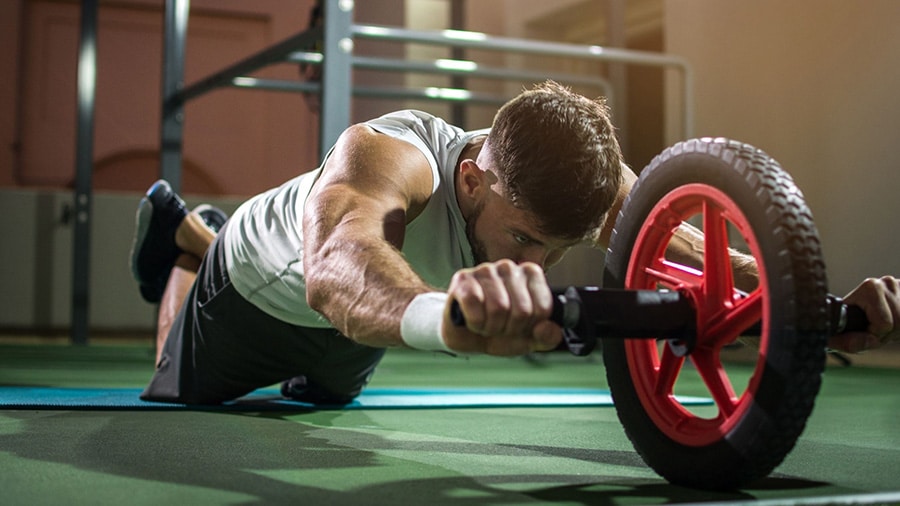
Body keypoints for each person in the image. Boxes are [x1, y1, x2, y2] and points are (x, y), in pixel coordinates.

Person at [130, 81, 898, 405]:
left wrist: (822, 305)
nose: (535, 268)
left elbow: (709, 261)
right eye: (525, 238)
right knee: (177, 391)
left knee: (324, 399)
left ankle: (202, 239)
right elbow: (336, 273)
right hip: (263, 290)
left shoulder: (584, 185)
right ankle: (187, 243)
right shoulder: (390, 156)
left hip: (370, 318)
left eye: (556, 249)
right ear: (472, 181)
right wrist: (448, 321)